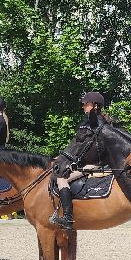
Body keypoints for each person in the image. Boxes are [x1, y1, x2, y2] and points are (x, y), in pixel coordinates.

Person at [50, 91, 106, 230]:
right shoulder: (91, 122)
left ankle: (68, 217)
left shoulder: (95, 122)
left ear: (95, 106)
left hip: (94, 164)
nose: (83, 106)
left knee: (62, 179)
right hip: (87, 162)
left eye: (86, 104)